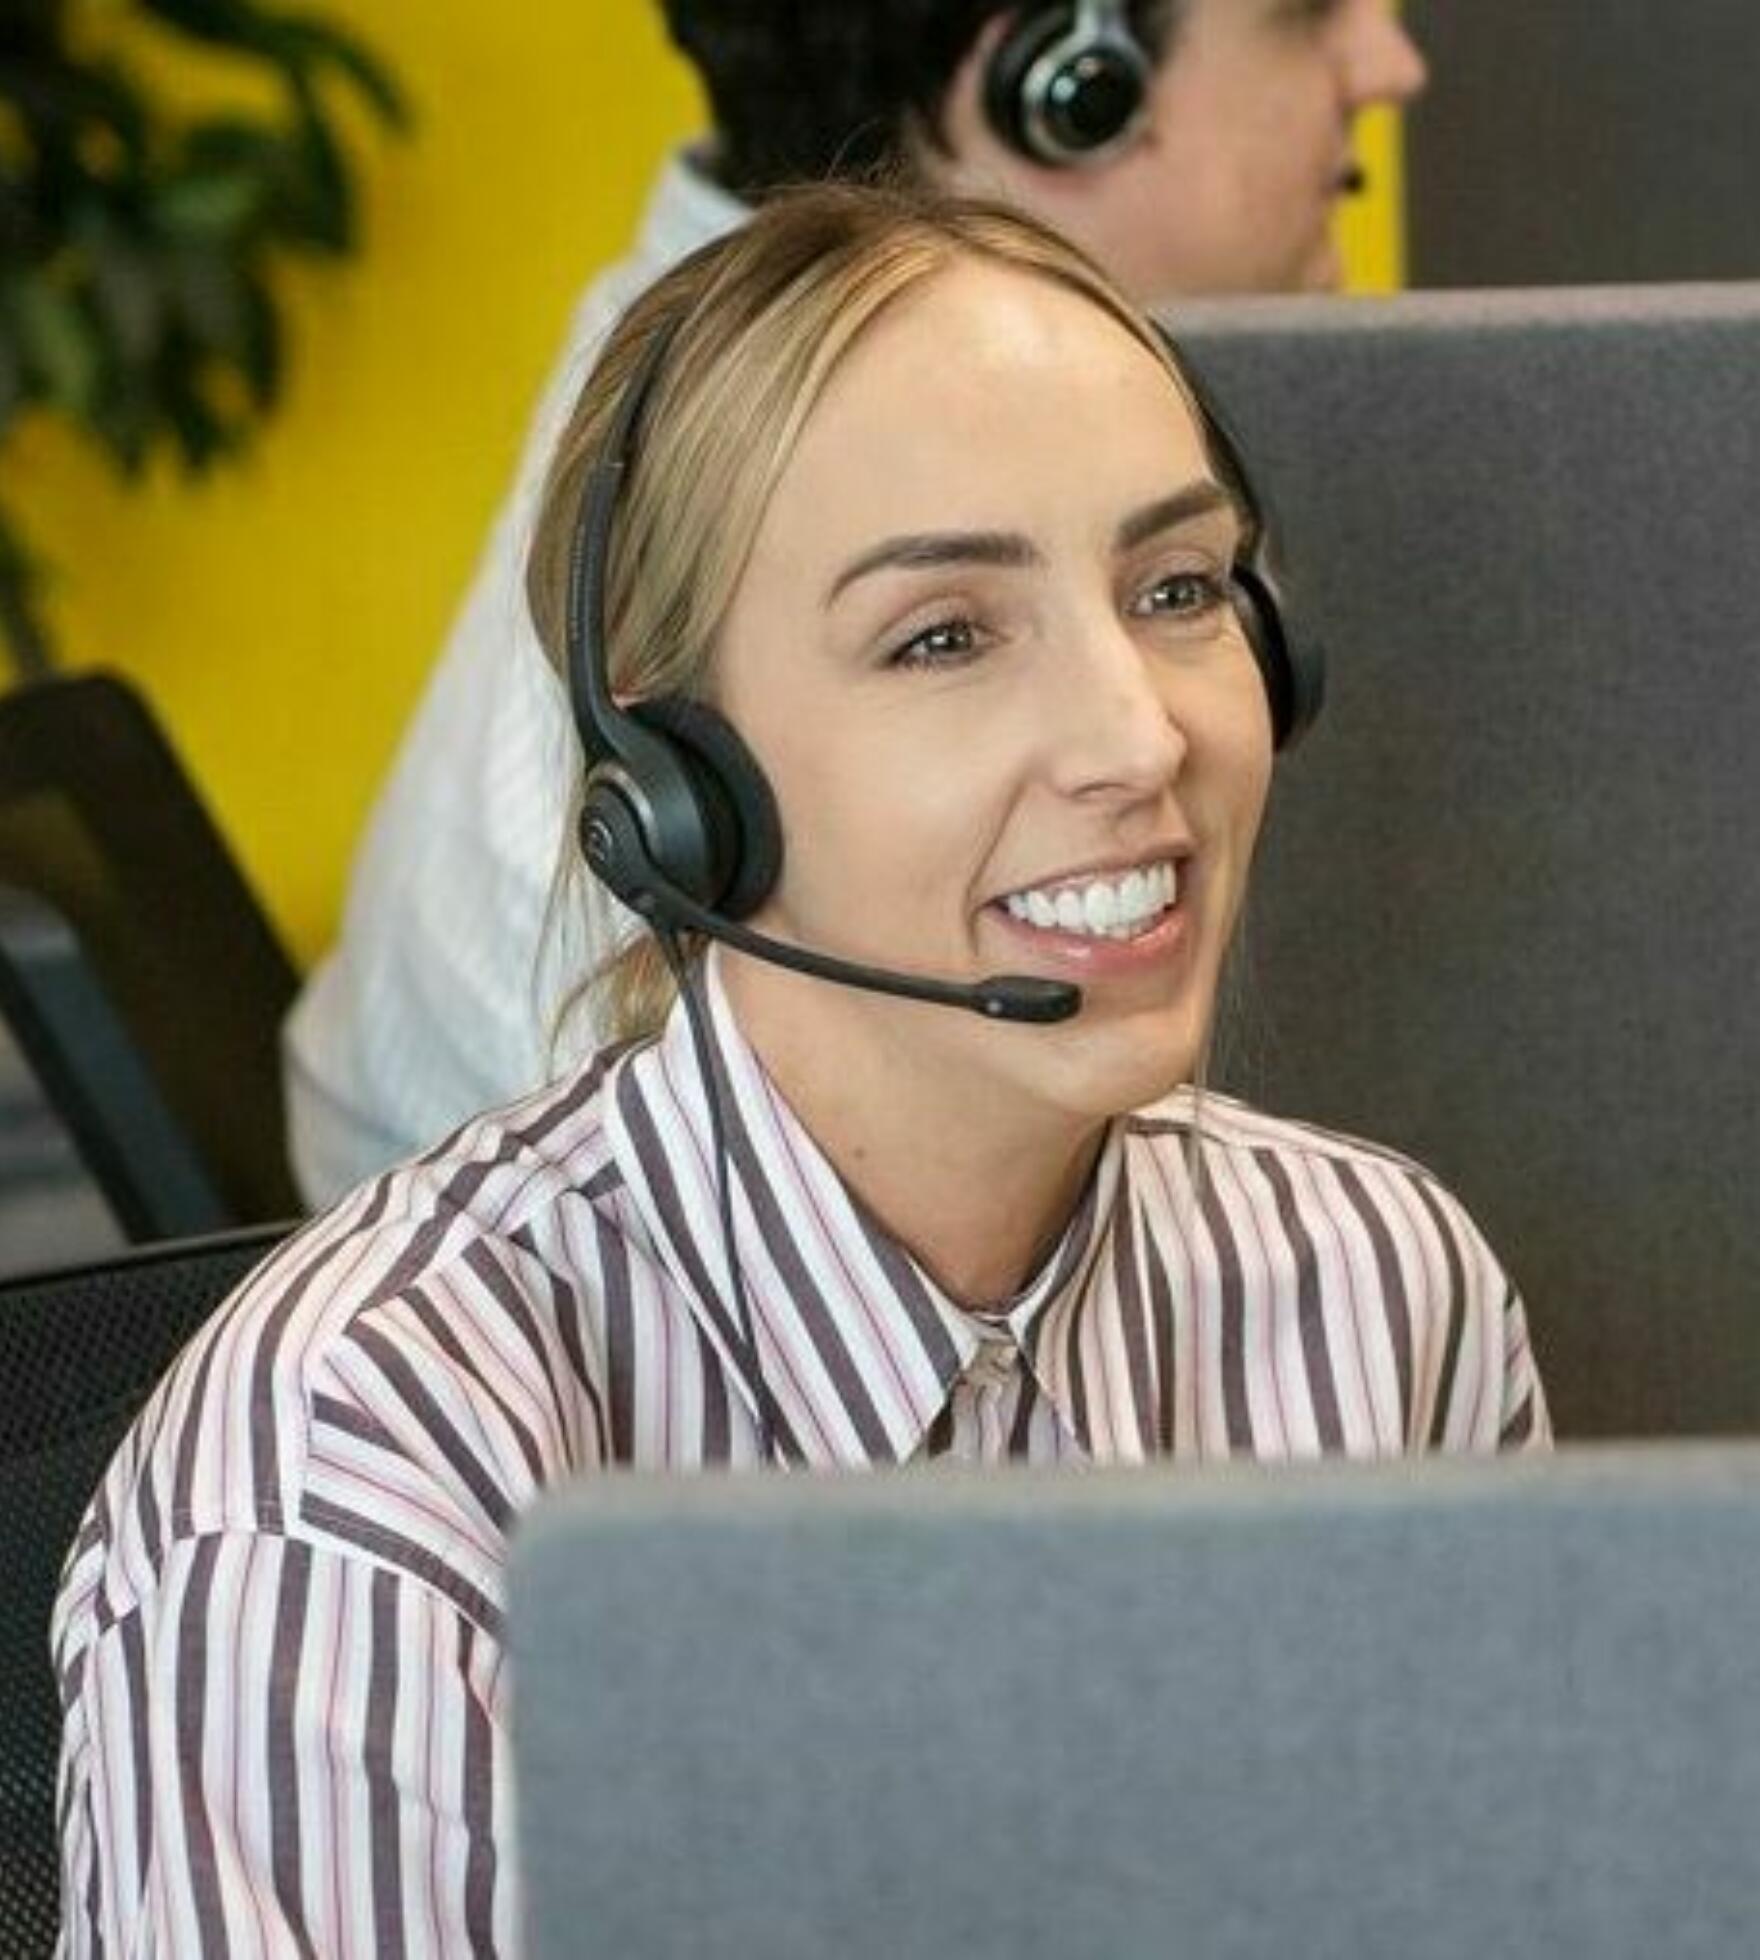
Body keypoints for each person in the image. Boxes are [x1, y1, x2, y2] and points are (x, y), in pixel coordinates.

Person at [57, 183, 1546, 1956]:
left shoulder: (1377, 1297)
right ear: (677, 785)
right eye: (943, 637)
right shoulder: (357, 1480)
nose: (1141, 737)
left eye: (1177, 589)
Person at [284, 0, 1429, 1202]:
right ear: (1064, 81)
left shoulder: (862, 410)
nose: (1386, 65)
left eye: (1180, 589)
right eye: (1304, 15)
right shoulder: (728, 492)